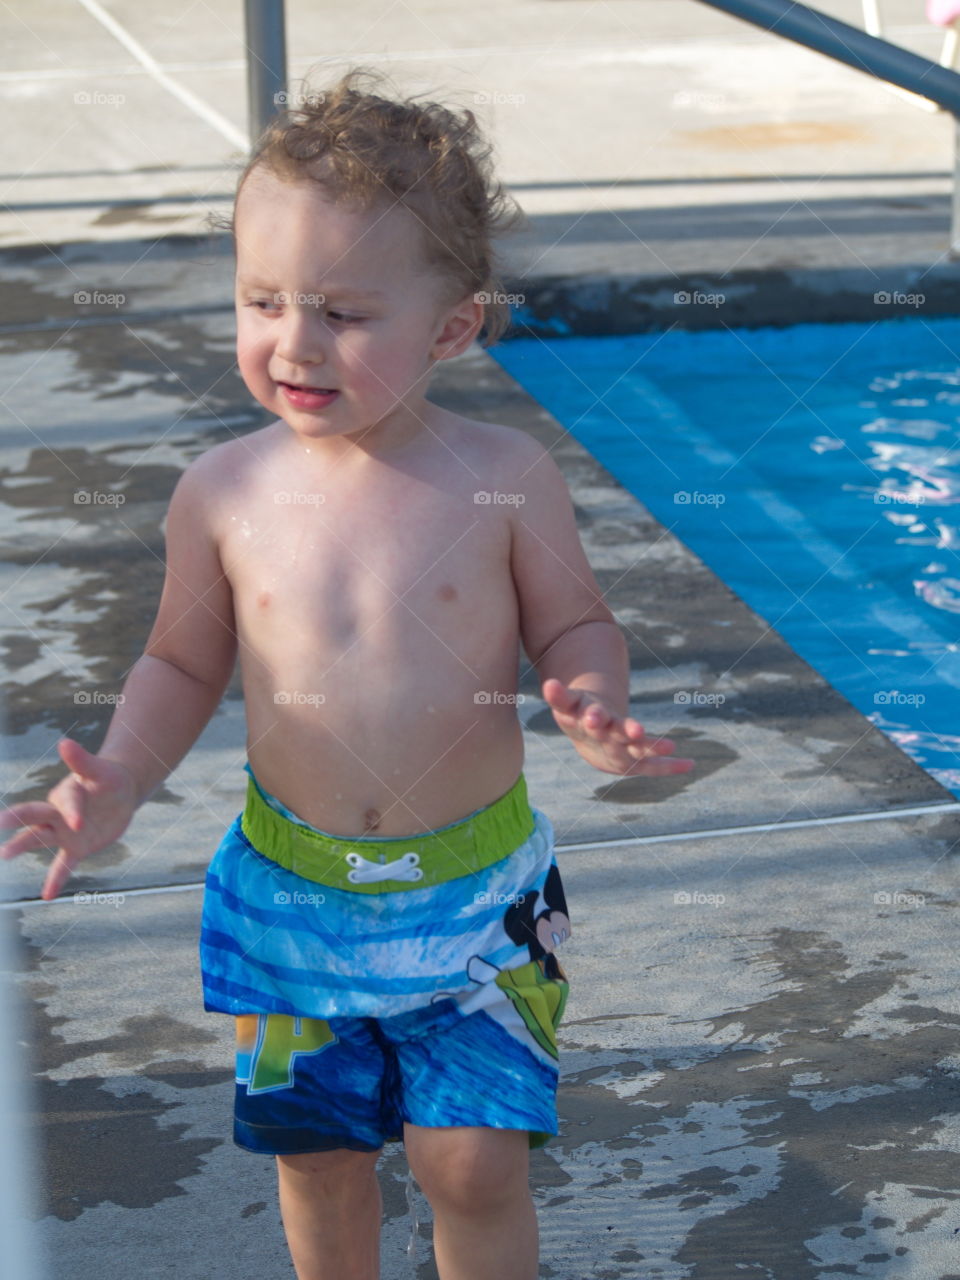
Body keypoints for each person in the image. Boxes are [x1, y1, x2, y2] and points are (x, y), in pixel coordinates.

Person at [0, 67, 694, 1280]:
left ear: (453, 327)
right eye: (262, 299)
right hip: (292, 892)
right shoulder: (225, 491)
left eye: (343, 312)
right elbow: (179, 657)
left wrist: (593, 704)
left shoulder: (503, 474)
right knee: (319, 1153)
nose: (293, 342)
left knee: (470, 1159)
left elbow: (577, 624)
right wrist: (116, 780)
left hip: (477, 895)